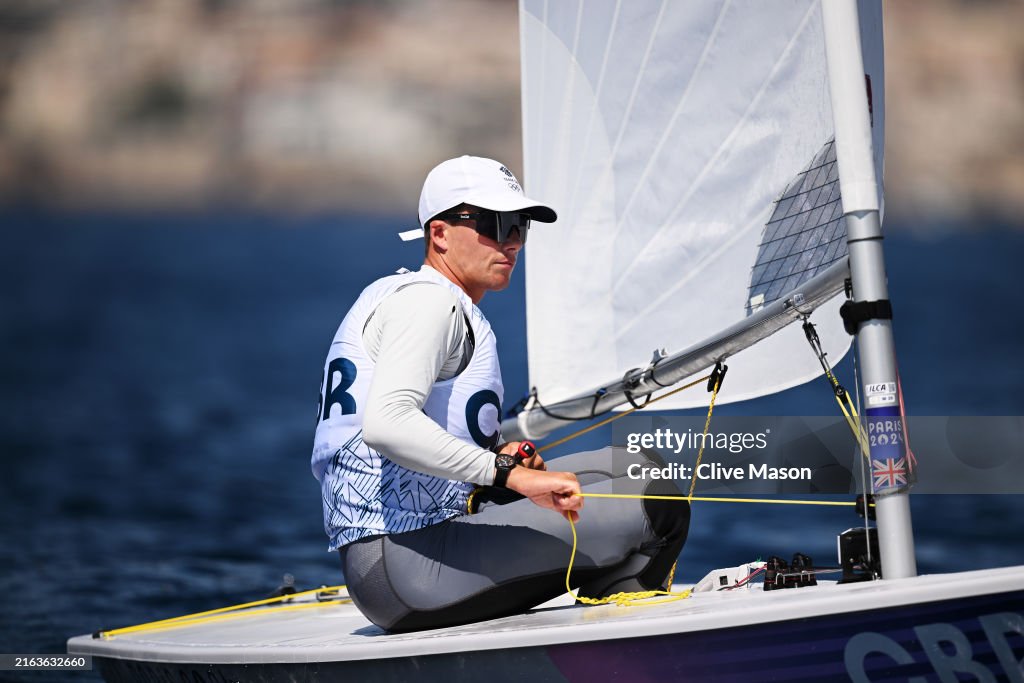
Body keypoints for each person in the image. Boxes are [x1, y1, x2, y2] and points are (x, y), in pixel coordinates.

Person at [311, 155, 689, 632]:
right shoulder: (429, 304)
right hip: (406, 568)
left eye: (520, 227)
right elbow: (387, 425)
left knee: (635, 467)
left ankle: (606, 604)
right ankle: (619, 637)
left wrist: (496, 462)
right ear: (440, 234)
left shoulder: (413, 296)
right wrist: (507, 473)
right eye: (493, 224)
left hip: (418, 546)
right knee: (658, 505)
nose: (512, 242)